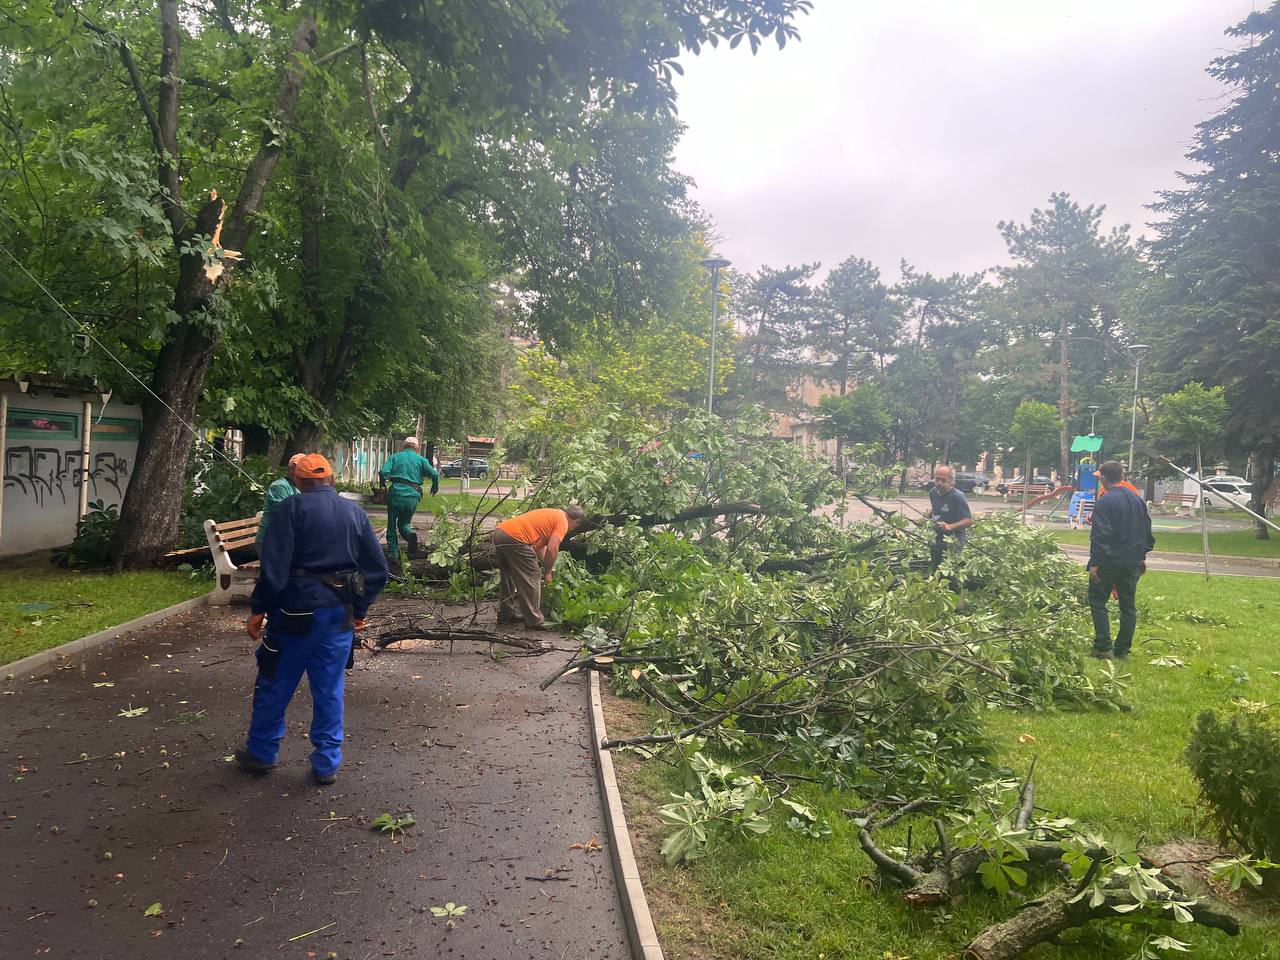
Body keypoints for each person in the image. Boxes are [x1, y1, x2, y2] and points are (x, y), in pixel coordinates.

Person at [235, 454, 389, 784]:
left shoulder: (290, 509)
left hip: (295, 612)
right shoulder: (354, 513)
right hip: (339, 613)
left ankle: (261, 753)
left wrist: (258, 609)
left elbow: (274, 568)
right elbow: (378, 570)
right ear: (332, 480)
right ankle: (326, 764)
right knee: (330, 687)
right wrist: (360, 611)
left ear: (299, 482)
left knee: (275, 681)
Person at [1087, 460, 1155, 660]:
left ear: (1105, 478)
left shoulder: (1105, 501)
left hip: (1108, 561)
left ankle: (1103, 647)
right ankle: (1122, 650)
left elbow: (1100, 535)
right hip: (1131, 561)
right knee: (1128, 605)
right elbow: (1146, 532)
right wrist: (1142, 556)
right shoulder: (1136, 500)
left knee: (1098, 601)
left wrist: (1095, 564)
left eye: (1100, 479)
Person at [491, 505, 586, 629]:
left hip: (501, 532)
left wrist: (549, 568)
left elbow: (541, 548)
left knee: (508, 576)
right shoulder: (562, 521)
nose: (572, 529)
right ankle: (534, 619)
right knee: (533, 575)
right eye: (576, 526)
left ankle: (505, 614)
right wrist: (547, 573)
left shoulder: (553, 514)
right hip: (517, 537)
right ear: (577, 521)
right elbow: (553, 549)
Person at [378, 436, 440, 563]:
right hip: (412, 496)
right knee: (404, 523)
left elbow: (383, 472)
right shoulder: (421, 459)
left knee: (391, 525)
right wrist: (435, 487)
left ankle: (394, 555)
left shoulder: (395, 457)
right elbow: (435, 474)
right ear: (417, 448)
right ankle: (410, 534)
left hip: (395, 494)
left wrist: (383, 485)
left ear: (404, 446)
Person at [928, 465, 973, 570]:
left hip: (954, 539)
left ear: (951, 481)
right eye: (937, 479)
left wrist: (950, 526)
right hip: (937, 536)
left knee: (949, 571)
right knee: (935, 568)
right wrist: (925, 519)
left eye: (943, 480)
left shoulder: (958, 496)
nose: (939, 482)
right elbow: (936, 510)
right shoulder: (932, 493)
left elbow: (969, 520)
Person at [256, 453, 304, 546]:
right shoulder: (280, 486)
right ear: (289, 469)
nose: (300, 471)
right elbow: (286, 513)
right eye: (297, 468)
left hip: (283, 539)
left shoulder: (299, 486)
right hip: (270, 541)